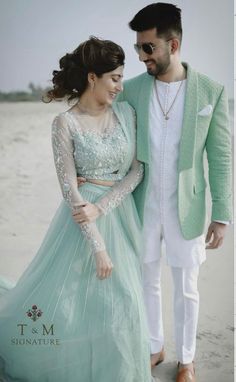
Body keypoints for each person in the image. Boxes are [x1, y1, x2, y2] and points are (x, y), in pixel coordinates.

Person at [0, 37, 153, 382]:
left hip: (119, 217)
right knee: (74, 305)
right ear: (91, 78)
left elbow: (137, 170)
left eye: (121, 77)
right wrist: (97, 245)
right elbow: (69, 189)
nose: (119, 85)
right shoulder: (64, 124)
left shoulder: (126, 113)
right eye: (114, 77)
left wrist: (102, 206)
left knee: (125, 301)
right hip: (80, 226)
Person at [116, 3, 232, 382]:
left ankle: (186, 360)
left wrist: (222, 214)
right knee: (145, 280)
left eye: (148, 48)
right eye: (138, 48)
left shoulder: (211, 92)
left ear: (173, 44)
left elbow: (220, 155)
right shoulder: (130, 90)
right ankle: (154, 347)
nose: (141, 56)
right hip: (142, 204)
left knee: (187, 286)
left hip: (189, 206)